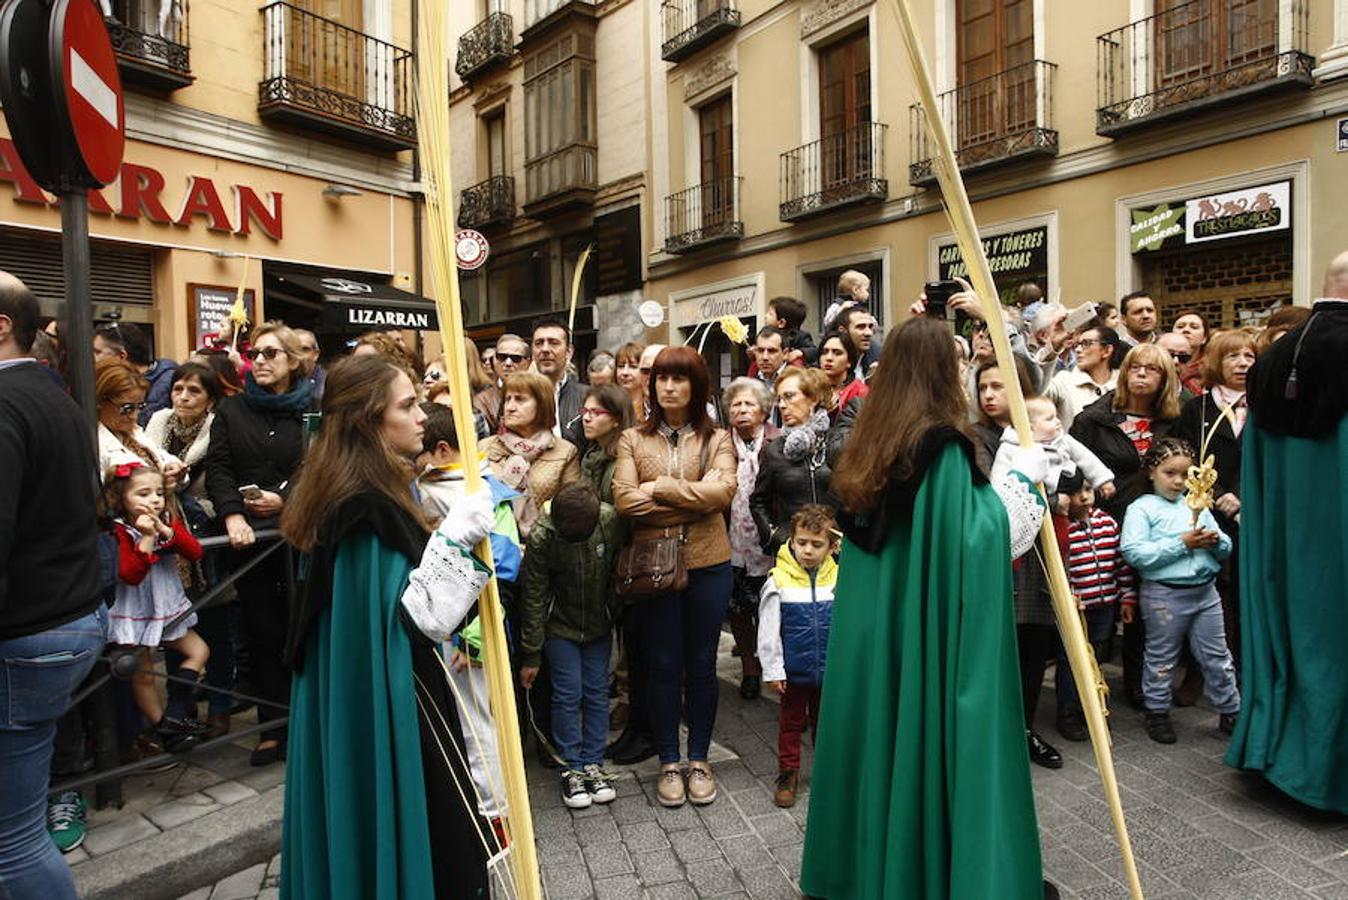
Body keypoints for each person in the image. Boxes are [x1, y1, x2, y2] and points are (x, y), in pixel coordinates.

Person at [799, 316, 1051, 899]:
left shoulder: (866, 443)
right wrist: (1025, 483)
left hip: (876, 630)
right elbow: (982, 544)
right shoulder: (941, 448)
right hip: (924, 633)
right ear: (947, 371)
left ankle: (868, 870)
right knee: (926, 732)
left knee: (877, 735)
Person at [280, 355, 492, 899]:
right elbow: (419, 620)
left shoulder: (350, 492)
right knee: (438, 830)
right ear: (367, 421)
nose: (423, 416)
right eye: (407, 406)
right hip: (396, 692)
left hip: (378, 687)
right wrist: (454, 540)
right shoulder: (363, 508)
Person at [1225, 258, 1348, 814]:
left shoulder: (1272, 356)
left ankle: (1277, 747)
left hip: (1282, 538)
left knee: (1293, 627)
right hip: (1336, 532)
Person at [0, 275, 107, 898]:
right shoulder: (54, 397)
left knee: (12, 842)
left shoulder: (11, 400)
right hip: (64, 617)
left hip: (29, 630)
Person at [613, 347, 736, 808]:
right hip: (653, 567)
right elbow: (625, 500)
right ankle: (669, 760)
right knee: (663, 665)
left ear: (696, 385)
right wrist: (693, 499)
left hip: (708, 563)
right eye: (661, 378)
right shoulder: (632, 439)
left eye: (679, 379)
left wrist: (661, 489)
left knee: (702, 664)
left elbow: (722, 492)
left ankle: (699, 759)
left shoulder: (717, 439)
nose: (668, 386)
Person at [207, 321, 314, 765]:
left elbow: (321, 464)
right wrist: (232, 512)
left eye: (272, 354)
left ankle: (308, 724)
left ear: (293, 360)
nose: (262, 361)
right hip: (251, 542)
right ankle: (272, 727)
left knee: (303, 630)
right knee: (262, 631)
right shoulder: (232, 410)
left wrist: (286, 500)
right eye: (257, 353)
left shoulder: (315, 409)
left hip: (300, 538)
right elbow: (219, 467)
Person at [413, 402, 521, 833]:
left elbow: (502, 570)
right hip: (454, 629)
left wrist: (473, 638)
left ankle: (496, 815)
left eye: (420, 453)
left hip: (468, 634)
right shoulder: (454, 484)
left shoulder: (478, 493)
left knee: (478, 724)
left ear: (440, 449)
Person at [1070, 343, 1181, 708]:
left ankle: (1138, 684)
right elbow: (1070, 470)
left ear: (1165, 379)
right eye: (1136, 367)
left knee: (1145, 612)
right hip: (1105, 526)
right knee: (1098, 612)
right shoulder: (1094, 419)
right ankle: (1084, 694)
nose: (1142, 374)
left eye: (1153, 369)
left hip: (1156, 528)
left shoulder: (1175, 421)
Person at [1121, 437, 1238, 744]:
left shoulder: (1197, 502)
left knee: (1217, 655)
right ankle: (1157, 711)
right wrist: (1180, 544)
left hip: (1205, 593)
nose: (1177, 481)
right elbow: (1134, 552)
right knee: (1161, 656)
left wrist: (1217, 543)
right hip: (1164, 595)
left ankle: (1230, 710)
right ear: (1151, 473)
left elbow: (1225, 547)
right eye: (1169, 473)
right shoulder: (1142, 508)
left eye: (1185, 475)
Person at [145, 361, 236, 738]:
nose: (183, 396)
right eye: (179, 388)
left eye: (194, 391)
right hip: (167, 551)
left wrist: (187, 499)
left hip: (206, 547)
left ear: (211, 400)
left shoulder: (219, 434)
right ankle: (181, 712)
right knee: (174, 634)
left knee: (216, 630)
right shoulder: (155, 430)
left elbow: (220, 486)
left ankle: (219, 708)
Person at [519, 482, 622, 809]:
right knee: (567, 693)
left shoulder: (608, 520)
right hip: (558, 626)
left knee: (596, 690)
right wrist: (531, 653)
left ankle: (593, 762)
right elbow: (533, 596)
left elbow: (618, 568)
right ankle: (571, 766)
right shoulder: (541, 536)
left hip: (598, 623)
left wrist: (616, 614)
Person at [103, 463, 211, 750]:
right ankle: (166, 729)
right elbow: (130, 573)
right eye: (143, 493)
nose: (153, 500)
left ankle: (174, 712)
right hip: (134, 609)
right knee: (143, 671)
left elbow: (195, 551)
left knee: (198, 651)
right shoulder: (118, 530)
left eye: (159, 493)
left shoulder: (165, 519)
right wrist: (148, 539)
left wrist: (165, 530)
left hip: (166, 604)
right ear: (120, 497)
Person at [1174, 329, 1256, 661]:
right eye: (1232, 356)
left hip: (1253, 512)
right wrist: (1221, 495)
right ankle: (1199, 668)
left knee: (1246, 593)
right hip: (1208, 511)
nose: (1242, 364)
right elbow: (1188, 457)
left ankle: (1245, 666)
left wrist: (1241, 496)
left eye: (1249, 356)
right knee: (1210, 593)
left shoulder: (1265, 406)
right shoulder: (1198, 408)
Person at [756, 504, 839, 809]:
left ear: (832, 547)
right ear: (791, 540)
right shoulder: (779, 580)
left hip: (829, 671)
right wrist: (774, 669)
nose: (807, 550)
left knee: (826, 723)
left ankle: (827, 775)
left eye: (817, 545)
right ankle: (788, 773)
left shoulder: (838, 579)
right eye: (801, 542)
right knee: (790, 724)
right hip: (794, 672)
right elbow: (768, 631)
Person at [1050, 472, 1135, 741]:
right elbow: (1061, 570)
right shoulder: (1062, 529)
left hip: (1105, 605)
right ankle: (1068, 711)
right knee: (1071, 660)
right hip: (1077, 608)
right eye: (1076, 492)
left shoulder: (1107, 523)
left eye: (1088, 488)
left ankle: (1093, 709)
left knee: (1097, 657)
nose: (1084, 496)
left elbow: (1120, 565)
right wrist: (1068, 597)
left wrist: (1127, 597)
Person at [723, 378, 779, 703]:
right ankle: (749, 668)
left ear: (763, 410)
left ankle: (775, 668)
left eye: (749, 404)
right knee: (739, 610)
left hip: (768, 540)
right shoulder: (719, 443)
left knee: (772, 608)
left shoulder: (777, 440)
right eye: (736, 404)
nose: (742, 410)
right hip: (731, 539)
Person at [481, 371, 580, 540]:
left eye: (520, 399)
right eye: (507, 399)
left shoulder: (564, 451)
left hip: (543, 547)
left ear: (542, 405)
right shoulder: (485, 447)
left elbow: (571, 510)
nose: (510, 407)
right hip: (493, 547)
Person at [750, 368, 837, 554]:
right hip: (791, 553)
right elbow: (758, 502)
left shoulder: (835, 442)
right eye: (779, 399)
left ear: (813, 399)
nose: (782, 405)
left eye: (789, 396)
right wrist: (774, 537)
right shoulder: (774, 450)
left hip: (835, 552)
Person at [992, 396, 1115, 497]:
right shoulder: (1010, 447)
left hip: (1070, 491)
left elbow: (1085, 457)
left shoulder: (1063, 440)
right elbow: (999, 475)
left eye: (1056, 416)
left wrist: (1103, 480)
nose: (1058, 421)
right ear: (1030, 428)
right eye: (1050, 419)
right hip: (1038, 498)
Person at [95, 357, 185, 483]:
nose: (134, 415)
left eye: (140, 406)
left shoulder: (134, 432)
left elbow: (163, 457)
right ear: (100, 402)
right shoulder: (94, 445)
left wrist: (172, 468)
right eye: (127, 408)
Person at [93, 320, 178, 426]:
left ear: (122, 356)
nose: (92, 358)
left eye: (97, 352)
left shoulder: (171, 384)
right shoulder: (108, 384)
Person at [1045, 323, 1120, 430]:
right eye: (1077, 345)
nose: (1078, 350)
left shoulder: (1124, 384)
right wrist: (1051, 350)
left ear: (1107, 350)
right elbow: (1034, 392)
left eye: (1086, 344)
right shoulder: (1065, 381)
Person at [531, 317, 586, 447]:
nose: (545, 349)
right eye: (539, 343)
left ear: (569, 352)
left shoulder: (587, 397)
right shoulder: (517, 397)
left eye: (553, 343)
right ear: (532, 352)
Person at [579, 384, 633, 503]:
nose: (586, 418)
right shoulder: (592, 455)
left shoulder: (626, 459)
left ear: (617, 419)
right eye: (585, 411)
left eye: (596, 412)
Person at [474, 333, 529, 435]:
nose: (508, 363)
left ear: (528, 362)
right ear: (494, 360)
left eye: (515, 358)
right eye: (502, 357)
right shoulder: (482, 399)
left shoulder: (538, 394)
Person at [817, 331, 868, 419]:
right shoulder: (809, 386)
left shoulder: (860, 392)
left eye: (837, 353)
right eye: (824, 352)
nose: (829, 358)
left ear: (849, 361)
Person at [765, 295, 817, 365]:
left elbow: (813, 351)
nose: (766, 316)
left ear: (781, 322)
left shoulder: (800, 336)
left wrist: (801, 352)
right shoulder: (765, 333)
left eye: (770, 314)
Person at [835, 306, 880, 380]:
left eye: (870, 327)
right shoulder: (830, 362)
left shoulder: (877, 357)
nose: (868, 333)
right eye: (860, 327)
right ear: (843, 330)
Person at [752, 326, 790, 412]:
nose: (765, 357)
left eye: (772, 351)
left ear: (785, 354)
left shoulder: (797, 381)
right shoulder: (751, 383)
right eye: (760, 351)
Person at [1171, 310, 1209, 395]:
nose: (1186, 330)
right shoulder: (1160, 363)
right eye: (1180, 327)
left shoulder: (1212, 369)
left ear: (1204, 338)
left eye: (1194, 327)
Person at [613, 341, 647, 423]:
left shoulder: (652, 407)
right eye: (621, 366)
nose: (625, 372)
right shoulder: (608, 404)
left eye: (633, 367)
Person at [293, 328, 325, 401]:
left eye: (304, 350)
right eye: (293, 350)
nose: (299, 356)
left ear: (315, 355)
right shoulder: (279, 384)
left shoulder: (328, 384)